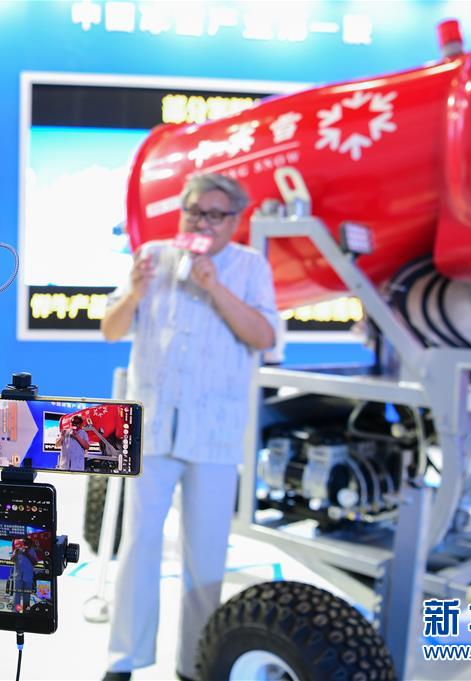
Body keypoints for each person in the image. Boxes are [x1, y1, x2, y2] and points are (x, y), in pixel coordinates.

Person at [100, 173, 277, 681]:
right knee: (138, 544)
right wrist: (135, 292)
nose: (202, 223)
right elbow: (110, 329)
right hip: (152, 427)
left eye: (214, 215)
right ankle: (123, 660)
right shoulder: (152, 256)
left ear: (234, 220)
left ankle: (197, 664)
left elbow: (264, 336)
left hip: (214, 434)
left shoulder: (250, 266)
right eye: (194, 212)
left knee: (206, 556)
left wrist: (214, 286)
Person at [11, 538, 42, 613]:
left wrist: (27, 554)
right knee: (16, 595)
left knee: (27, 595)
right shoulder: (17, 550)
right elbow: (12, 560)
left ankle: (26, 612)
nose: (25, 544)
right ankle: (16, 612)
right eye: (23, 542)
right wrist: (15, 553)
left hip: (28, 576)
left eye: (26, 542)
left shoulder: (32, 550)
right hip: (18, 576)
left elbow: (35, 562)